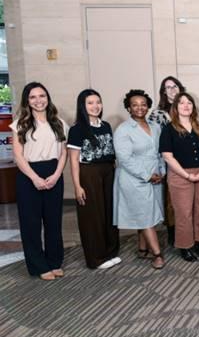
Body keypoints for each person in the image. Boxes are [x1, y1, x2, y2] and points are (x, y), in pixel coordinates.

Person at [10, 82, 68, 280]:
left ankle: (54, 261)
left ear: (47, 97)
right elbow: (18, 156)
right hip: (29, 175)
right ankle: (38, 265)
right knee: (31, 223)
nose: (38, 100)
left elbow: (63, 153)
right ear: (27, 100)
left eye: (42, 96)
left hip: (54, 172)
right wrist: (34, 178)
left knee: (53, 222)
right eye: (33, 97)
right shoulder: (19, 124)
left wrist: (57, 174)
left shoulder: (58, 122)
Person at [113, 89, 166, 270]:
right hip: (133, 178)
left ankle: (142, 248)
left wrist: (162, 172)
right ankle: (157, 255)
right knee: (144, 216)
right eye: (135, 105)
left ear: (148, 106)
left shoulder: (156, 127)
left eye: (143, 104)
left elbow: (160, 153)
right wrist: (146, 175)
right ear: (128, 108)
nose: (140, 108)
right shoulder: (123, 130)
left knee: (149, 214)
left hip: (156, 175)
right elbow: (124, 159)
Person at [67, 89, 119, 270]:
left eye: (98, 102)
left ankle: (110, 252)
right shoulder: (77, 129)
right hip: (88, 173)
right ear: (82, 106)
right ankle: (96, 258)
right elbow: (73, 159)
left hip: (108, 171)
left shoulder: (105, 126)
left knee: (109, 212)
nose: (95, 106)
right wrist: (77, 186)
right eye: (90, 102)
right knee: (93, 217)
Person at [160, 93, 199, 262]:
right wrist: (186, 175)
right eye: (182, 103)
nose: (186, 106)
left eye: (189, 103)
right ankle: (186, 246)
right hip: (180, 175)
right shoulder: (169, 129)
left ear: (193, 106)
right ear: (176, 108)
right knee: (184, 212)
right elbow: (167, 156)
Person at [149, 76, 186, 247]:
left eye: (174, 86)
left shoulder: (188, 108)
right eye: (167, 87)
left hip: (188, 161)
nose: (172, 90)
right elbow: (154, 142)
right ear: (163, 92)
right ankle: (173, 234)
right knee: (172, 201)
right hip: (169, 163)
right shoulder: (158, 114)